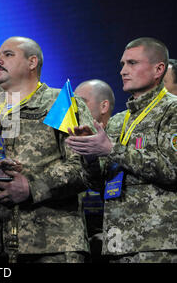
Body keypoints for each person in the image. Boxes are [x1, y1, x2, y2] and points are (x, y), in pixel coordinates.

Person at [0, 36, 95, 263]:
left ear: (32, 62)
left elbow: (83, 168)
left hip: (53, 245)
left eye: (8, 54)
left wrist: (32, 186)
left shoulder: (61, 102)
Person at [66, 37, 177, 263]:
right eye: (123, 64)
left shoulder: (172, 110)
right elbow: (98, 184)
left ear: (158, 69)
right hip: (116, 244)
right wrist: (89, 155)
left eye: (132, 63)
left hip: (158, 244)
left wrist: (112, 148)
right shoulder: (118, 121)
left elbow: (172, 169)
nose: (123, 71)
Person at [74, 79, 115, 263]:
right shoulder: (70, 141)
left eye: (81, 102)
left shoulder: (120, 137)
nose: (75, 109)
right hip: (80, 242)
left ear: (104, 106)